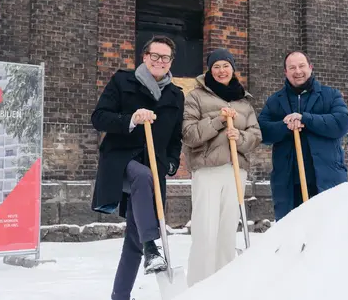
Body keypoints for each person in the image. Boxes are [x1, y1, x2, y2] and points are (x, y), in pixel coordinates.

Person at [90, 35, 185, 300]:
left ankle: (120, 296)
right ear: (145, 57)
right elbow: (98, 118)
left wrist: (171, 163)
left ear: (170, 63)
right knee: (142, 176)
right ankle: (151, 248)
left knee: (133, 239)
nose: (159, 61)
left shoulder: (176, 95)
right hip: (121, 162)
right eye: (154, 56)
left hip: (154, 170)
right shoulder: (123, 82)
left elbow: (176, 138)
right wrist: (130, 119)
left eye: (165, 58)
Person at [181, 48, 262, 287]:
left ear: (233, 68)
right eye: (216, 66)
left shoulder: (244, 101)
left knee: (227, 232)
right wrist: (218, 120)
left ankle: (224, 285)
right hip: (207, 170)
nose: (221, 70)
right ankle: (199, 286)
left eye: (226, 65)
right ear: (209, 69)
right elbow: (189, 134)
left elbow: (256, 135)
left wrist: (240, 137)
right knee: (205, 231)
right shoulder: (195, 96)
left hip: (236, 171)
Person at [257, 51, 348, 221]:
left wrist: (306, 119)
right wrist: (285, 125)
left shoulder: (330, 95)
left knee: (328, 232)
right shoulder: (275, 101)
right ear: (285, 72)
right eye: (292, 67)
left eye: (301, 66)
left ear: (310, 67)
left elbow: (341, 123)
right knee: (290, 236)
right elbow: (261, 131)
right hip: (289, 183)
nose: (297, 71)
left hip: (326, 179)